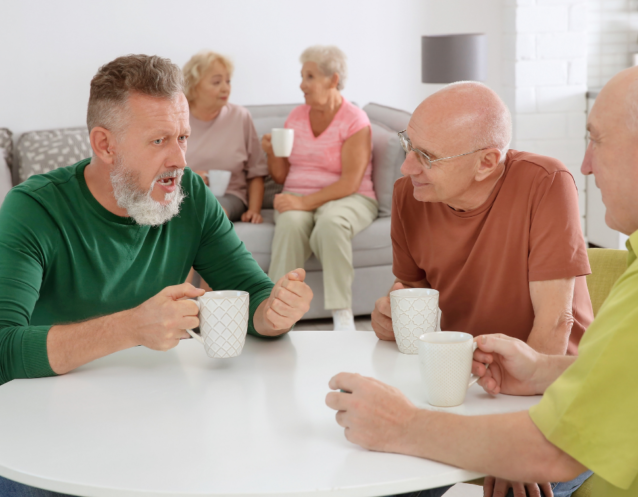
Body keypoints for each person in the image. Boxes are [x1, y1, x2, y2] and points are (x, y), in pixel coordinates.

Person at [326, 58, 638, 497]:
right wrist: (544, 370)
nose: (586, 166)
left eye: (596, 142)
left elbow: (553, 450)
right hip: (481, 388)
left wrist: (402, 424)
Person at [0, 55, 313, 495]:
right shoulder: (33, 209)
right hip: (42, 434)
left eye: (183, 137)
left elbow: (253, 294)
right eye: (160, 140)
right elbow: (3, 348)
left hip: (157, 424)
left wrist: (273, 313)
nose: (180, 159)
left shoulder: (193, 199)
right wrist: (131, 327)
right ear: (105, 145)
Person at [370, 81, 593, 495]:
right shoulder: (411, 194)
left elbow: (555, 324)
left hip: (553, 393)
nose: (406, 167)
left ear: (487, 162)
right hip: (461, 384)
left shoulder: (546, 182)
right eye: (408, 144)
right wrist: (389, 316)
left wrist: (516, 445)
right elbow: (414, 295)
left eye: (427, 157)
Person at [262, 45, 378, 331]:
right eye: (302, 76)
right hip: (298, 195)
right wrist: (272, 153)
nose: (302, 85)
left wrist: (305, 203)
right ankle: (275, 311)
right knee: (289, 222)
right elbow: (280, 176)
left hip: (350, 197)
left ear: (333, 80)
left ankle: (342, 312)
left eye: (310, 76)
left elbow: (351, 181)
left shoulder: (354, 120)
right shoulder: (297, 117)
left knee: (330, 223)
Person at [183, 51, 267, 223]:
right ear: (194, 85)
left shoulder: (240, 116)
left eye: (228, 81)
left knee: (210, 211)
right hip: (182, 194)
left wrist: (254, 210)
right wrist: (187, 179)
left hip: (229, 197)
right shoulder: (177, 117)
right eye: (216, 82)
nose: (225, 87)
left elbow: (256, 171)